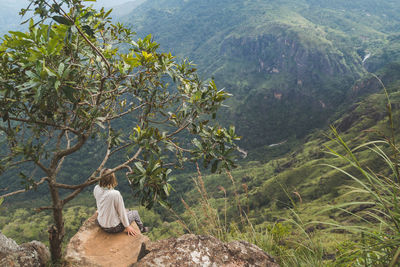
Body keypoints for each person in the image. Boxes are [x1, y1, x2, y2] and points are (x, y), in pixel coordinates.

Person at [94, 169, 149, 236]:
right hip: (114, 227)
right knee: (134, 213)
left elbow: (100, 201)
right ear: (112, 179)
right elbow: (121, 212)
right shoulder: (115, 194)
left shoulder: (96, 188)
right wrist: (127, 226)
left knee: (127, 211)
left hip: (101, 223)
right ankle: (142, 229)